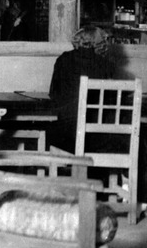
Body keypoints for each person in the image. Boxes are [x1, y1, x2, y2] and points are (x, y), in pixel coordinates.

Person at [48, 25, 119, 153]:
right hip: (97, 135)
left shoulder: (63, 59)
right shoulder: (106, 65)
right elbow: (110, 101)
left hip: (67, 133)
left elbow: (53, 94)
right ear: (100, 43)